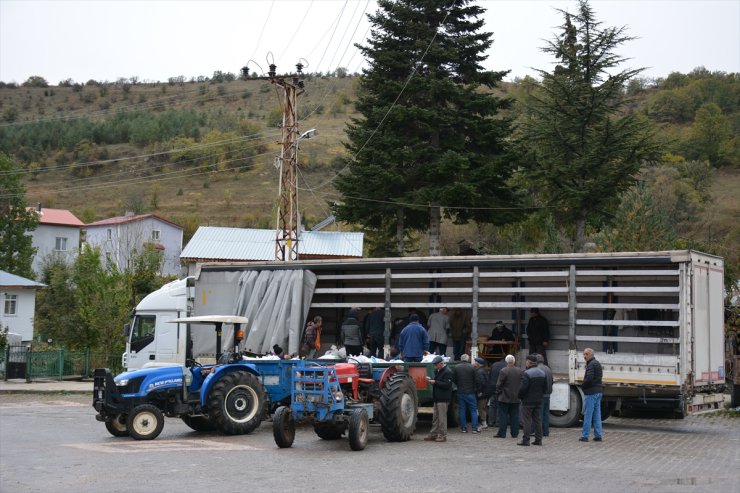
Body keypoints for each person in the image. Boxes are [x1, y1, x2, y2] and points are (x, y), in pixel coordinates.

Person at [518, 354, 548, 446]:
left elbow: (523, 388)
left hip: (527, 401)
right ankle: (538, 440)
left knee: (526, 420)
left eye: (526, 361)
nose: (525, 363)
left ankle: (526, 440)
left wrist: (520, 396)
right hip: (538, 400)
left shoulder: (527, 373)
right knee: (537, 420)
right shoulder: (542, 373)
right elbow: (545, 388)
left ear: (529, 362)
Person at [423, 355, 454, 443]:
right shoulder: (438, 370)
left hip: (443, 398)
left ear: (441, 363)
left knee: (442, 418)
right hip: (437, 398)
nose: (435, 366)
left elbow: (447, 385)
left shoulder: (448, 372)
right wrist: (432, 380)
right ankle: (434, 434)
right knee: (435, 418)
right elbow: (440, 382)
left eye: (436, 364)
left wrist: (435, 382)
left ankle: (442, 435)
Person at [494, 354, 522, 438]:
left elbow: (499, 384)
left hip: (504, 397)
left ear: (506, 361)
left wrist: (498, 393)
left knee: (503, 416)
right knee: (515, 416)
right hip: (516, 397)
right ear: (514, 361)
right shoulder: (519, 371)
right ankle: (514, 433)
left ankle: (502, 433)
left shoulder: (504, 370)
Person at [580, 347, 604, 442]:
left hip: (591, 392)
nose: (584, 356)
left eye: (586, 354)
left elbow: (589, 378)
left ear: (591, 355)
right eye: (584, 354)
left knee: (588, 415)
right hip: (598, 391)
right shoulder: (597, 363)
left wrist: (583, 386)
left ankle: (585, 436)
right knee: (597, 415)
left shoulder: (590, 364)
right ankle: (598, 435)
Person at [453, 354, 480, 433]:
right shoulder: (472, 367)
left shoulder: (456, 367)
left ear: (461, 359)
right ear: (468, 359)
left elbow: (454, 379)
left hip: (460, 391)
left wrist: (458, 385)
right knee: (473, 410)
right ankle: (474, 428)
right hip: (471, 392)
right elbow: (476, 380)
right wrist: (477, 389)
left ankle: (464, 428)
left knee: (462, 410)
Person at [536, 353, 553, 437]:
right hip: (548, 394)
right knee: (546, 415)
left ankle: (540, 432)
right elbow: (552, 381)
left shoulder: (538, 369)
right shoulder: (548, 368)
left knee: (539, 415)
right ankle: (546, 432)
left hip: (541, 395)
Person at [486, 358, 507, 427]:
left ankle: (490, 421)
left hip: (492, 388)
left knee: (492, 405)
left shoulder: (494, 365)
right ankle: (498, 422)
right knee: (499, 406)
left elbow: (489, 376)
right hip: (501, 388)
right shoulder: (505, 366)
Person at [473, 357, 489, 431]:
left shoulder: (479, 372)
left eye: (475, 362)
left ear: (478, 364)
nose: (474, 363)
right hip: (485, 393)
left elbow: (481, 383)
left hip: (482, 394)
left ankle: (484, 424)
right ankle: (484, 423)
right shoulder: (484, 370)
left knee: (481, 408)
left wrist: (479, 391)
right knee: (483, 408)